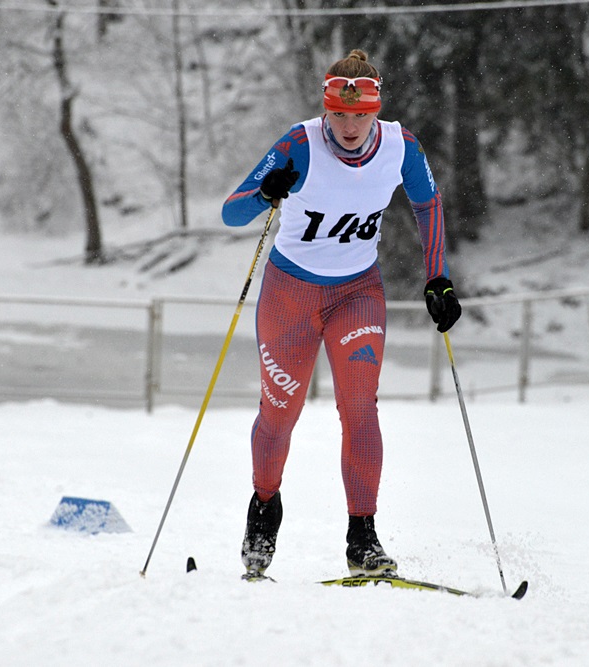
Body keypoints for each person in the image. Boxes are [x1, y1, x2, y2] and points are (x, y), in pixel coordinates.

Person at [221, 49, 461, 579]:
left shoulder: (401, 146)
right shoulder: (299, 143)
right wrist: (267, 191)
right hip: (290, 295)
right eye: (340, 114)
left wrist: (437, 276)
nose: (350, 126)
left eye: (360, 115)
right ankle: (264, 508)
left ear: (376, 111)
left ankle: (363, 538)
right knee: (280, 414)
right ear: (325, 110)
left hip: (357, 293)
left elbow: (430, 204)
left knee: (359, 407)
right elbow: (232, 211)